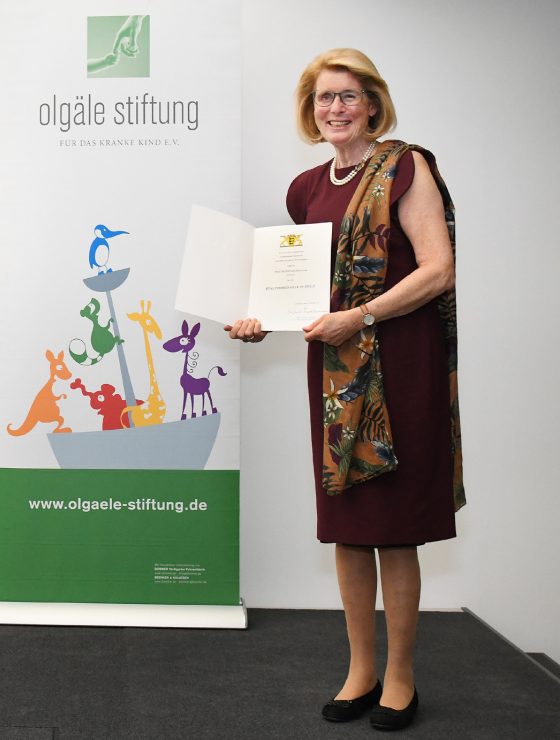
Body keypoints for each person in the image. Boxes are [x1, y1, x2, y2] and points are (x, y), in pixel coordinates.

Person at [226, 48, 463, 731]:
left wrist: (360, 315)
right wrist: (258, 319)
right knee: (350, 531)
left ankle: (400, 678)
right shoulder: (305, 188)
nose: (336, 108)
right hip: (336, 375)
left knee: (396, 530)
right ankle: (360, 670)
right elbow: (304, 292)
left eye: (348, 97)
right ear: (311, 109)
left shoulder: (408, 166)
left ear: (372, 104)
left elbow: (437, 270)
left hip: (401, 366)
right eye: (325, 98)